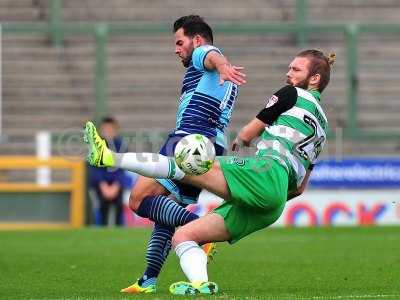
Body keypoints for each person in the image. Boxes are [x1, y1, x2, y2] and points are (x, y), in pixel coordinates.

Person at [84, 49, 335, 295]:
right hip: (276, 200)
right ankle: (200, 285)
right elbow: (300, 188)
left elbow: (248, 133)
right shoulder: (323, 126)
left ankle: (107, 157)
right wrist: (256, 194)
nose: (288, 73)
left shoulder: (291, 93)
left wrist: (242, 144)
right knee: (184, 236)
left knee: (184, 163)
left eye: (295, 69)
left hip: (266, 171)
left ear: (314, 78)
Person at [117, 15, 245, 293]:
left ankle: (200, 231)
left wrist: (221, 64)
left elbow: (211, 54)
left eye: (179, 42)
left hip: (188, 141)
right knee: (165, 214)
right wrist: (223, 68)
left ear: (196, 40)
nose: (176, 49)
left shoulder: (206, 55)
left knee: (138, 199)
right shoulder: (213, 74)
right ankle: (148, 280)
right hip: (209, 145)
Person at [88, 116, 126, 226]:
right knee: (101, 208)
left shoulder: (121, 145)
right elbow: (95, 169)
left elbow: (122, 168)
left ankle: (120, 230)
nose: (108, 132)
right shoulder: (96, 146)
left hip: (117, 184)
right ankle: (99, 228)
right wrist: (103, 185)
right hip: (100, 186)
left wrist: (116, 185)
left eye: (111, 129)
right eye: (106, 129)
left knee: (119, 209)